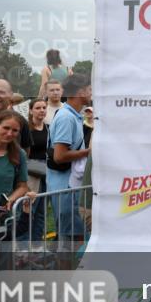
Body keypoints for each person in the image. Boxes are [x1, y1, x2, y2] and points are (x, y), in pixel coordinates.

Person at [47, 74, 91, 242]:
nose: (91, 94)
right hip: (65, 189)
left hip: (69, 186)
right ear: (80, 92)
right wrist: (89, 152)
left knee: (72, 239)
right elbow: (60, 156)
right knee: (70, 241)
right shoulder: (66, 117)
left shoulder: (72, 115)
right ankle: (67, 269)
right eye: (89, 90)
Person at [24, 99, 50, 240]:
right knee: (30, 208)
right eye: (38, 107)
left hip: (48, 171)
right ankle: (25, 241)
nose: (41, 110)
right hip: (32, 173)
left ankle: (37, 241)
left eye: (44, 107)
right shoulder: (27, 129)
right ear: (31, 110)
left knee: (42, 210)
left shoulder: (48, 128)